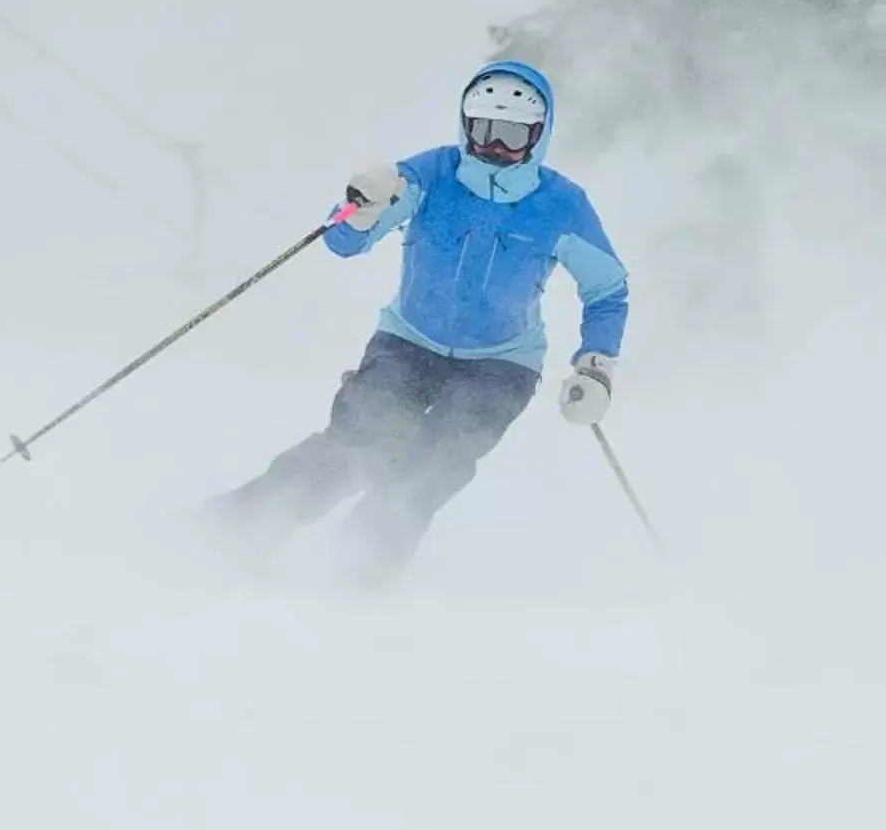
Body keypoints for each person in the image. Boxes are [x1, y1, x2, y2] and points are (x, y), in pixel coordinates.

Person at [208, 59, 630, 582]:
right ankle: (233, 531)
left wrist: (596, 365)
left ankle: (358, 570)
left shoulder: (562, 205)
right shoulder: (430, 175)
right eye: (483, 131)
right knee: (357, 442)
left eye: (512, 135)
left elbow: (607, 290)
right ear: (464, 125)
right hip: (408, 341)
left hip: (502, 364)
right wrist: (357, 208)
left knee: (433, 464)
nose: (495, 147)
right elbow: (344, 240)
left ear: (539, 137)